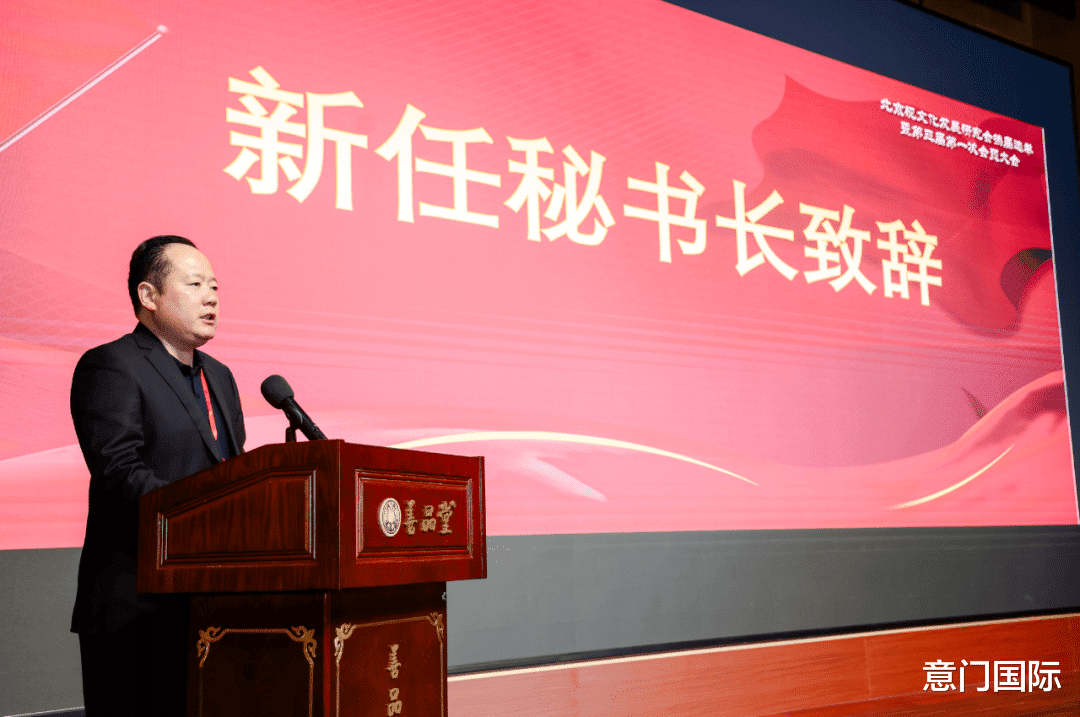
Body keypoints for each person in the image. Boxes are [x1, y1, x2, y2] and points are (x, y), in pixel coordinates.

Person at [69, 236, 246, 716]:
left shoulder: (221, 377)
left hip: (212, 608)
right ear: (148, 295)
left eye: (215, 287)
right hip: (138, 608)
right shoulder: (112, 365)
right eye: (195, 285)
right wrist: (204, 518)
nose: (211, 298)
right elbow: (119, 470)